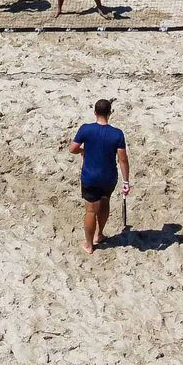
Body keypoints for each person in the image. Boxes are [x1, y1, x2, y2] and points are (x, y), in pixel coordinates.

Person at [69, 99, 130, 254]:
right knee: (104, 203)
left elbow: (72, 149)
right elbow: (123, 159)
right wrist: (126, 181)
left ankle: (89, 245)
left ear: (95, 112)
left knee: (90, 211)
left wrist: (83, 151)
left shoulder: (86, 129)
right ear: (110, 113)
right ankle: (99, 234)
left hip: (90, 177)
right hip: (109, 177)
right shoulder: (117, 134)